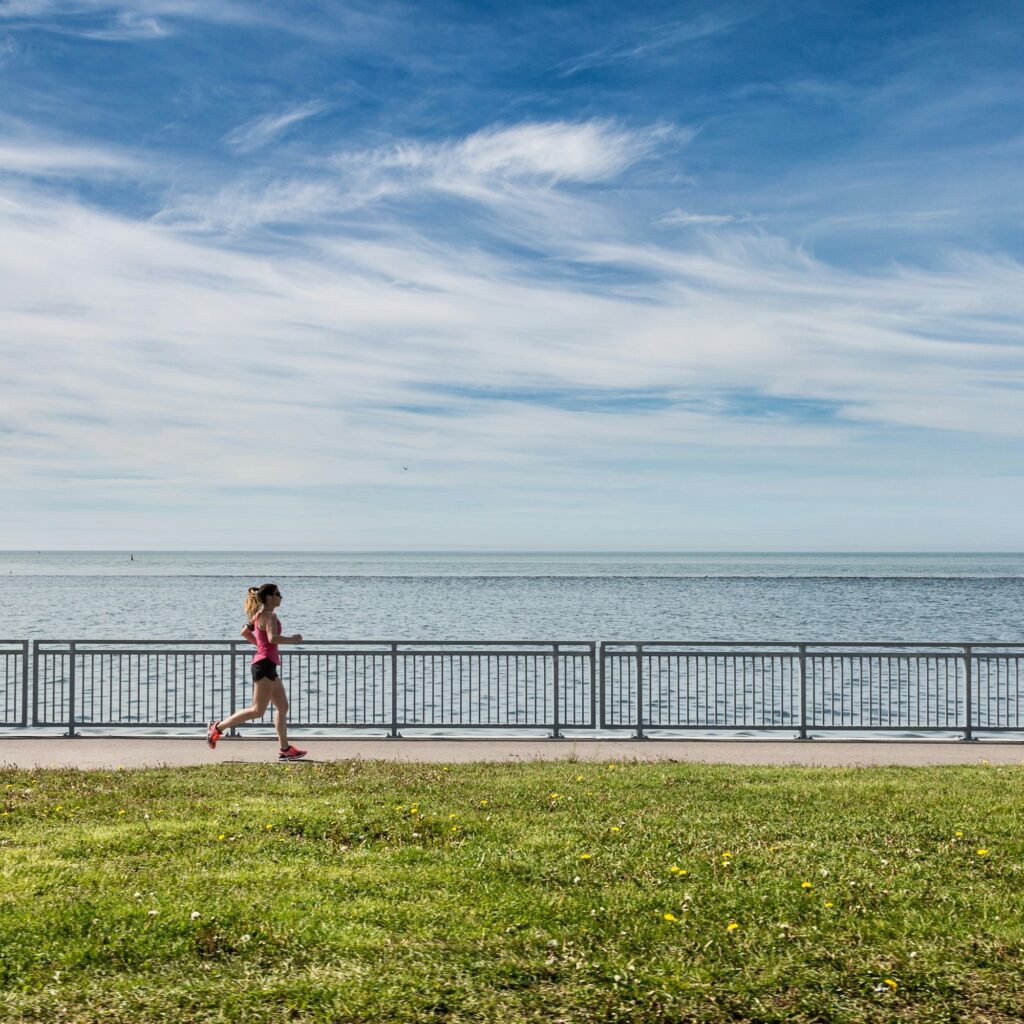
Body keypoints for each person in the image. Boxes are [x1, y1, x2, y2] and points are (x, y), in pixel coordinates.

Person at [207, 583, 306, 760]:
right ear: (269, 597)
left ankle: (285, 749)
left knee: (282, 706)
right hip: (264, 665)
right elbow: (272, 638)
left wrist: (260, 647)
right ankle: (218, 728)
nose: (280, 597)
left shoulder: (258, 615)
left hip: (267, 665)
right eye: (277, 594)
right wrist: (292, 639)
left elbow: (244, 632)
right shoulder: (269, 616)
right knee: (257, 710)